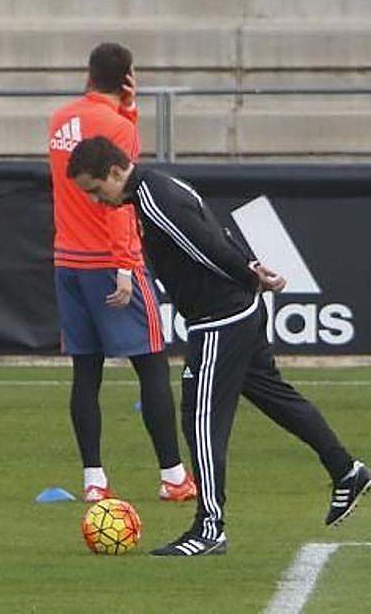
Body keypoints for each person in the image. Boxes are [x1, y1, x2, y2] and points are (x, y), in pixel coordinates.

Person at [68, 135, 370, 556]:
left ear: (116, 172)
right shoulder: (165, 186)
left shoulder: (154, 199)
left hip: (220, 320)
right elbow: (219, 228)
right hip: (238, 310)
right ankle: (346, 470)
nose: (98, 201)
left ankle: (210, 527)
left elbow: (204, 246)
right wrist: (251, 268)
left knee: (200, 419)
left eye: (97, 190)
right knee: (275, 395)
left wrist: (249, 276)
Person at [47, 43, 196, 504]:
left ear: (88, 75)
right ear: (128, 75)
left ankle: (94, 480)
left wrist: (127, 111)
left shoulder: (59, 121)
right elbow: (120, 195)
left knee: (85, 372)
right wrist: (126, 265)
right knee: (151, 364)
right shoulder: (115, 128)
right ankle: (173, 477)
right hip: (111, 262)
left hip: (67, 259)